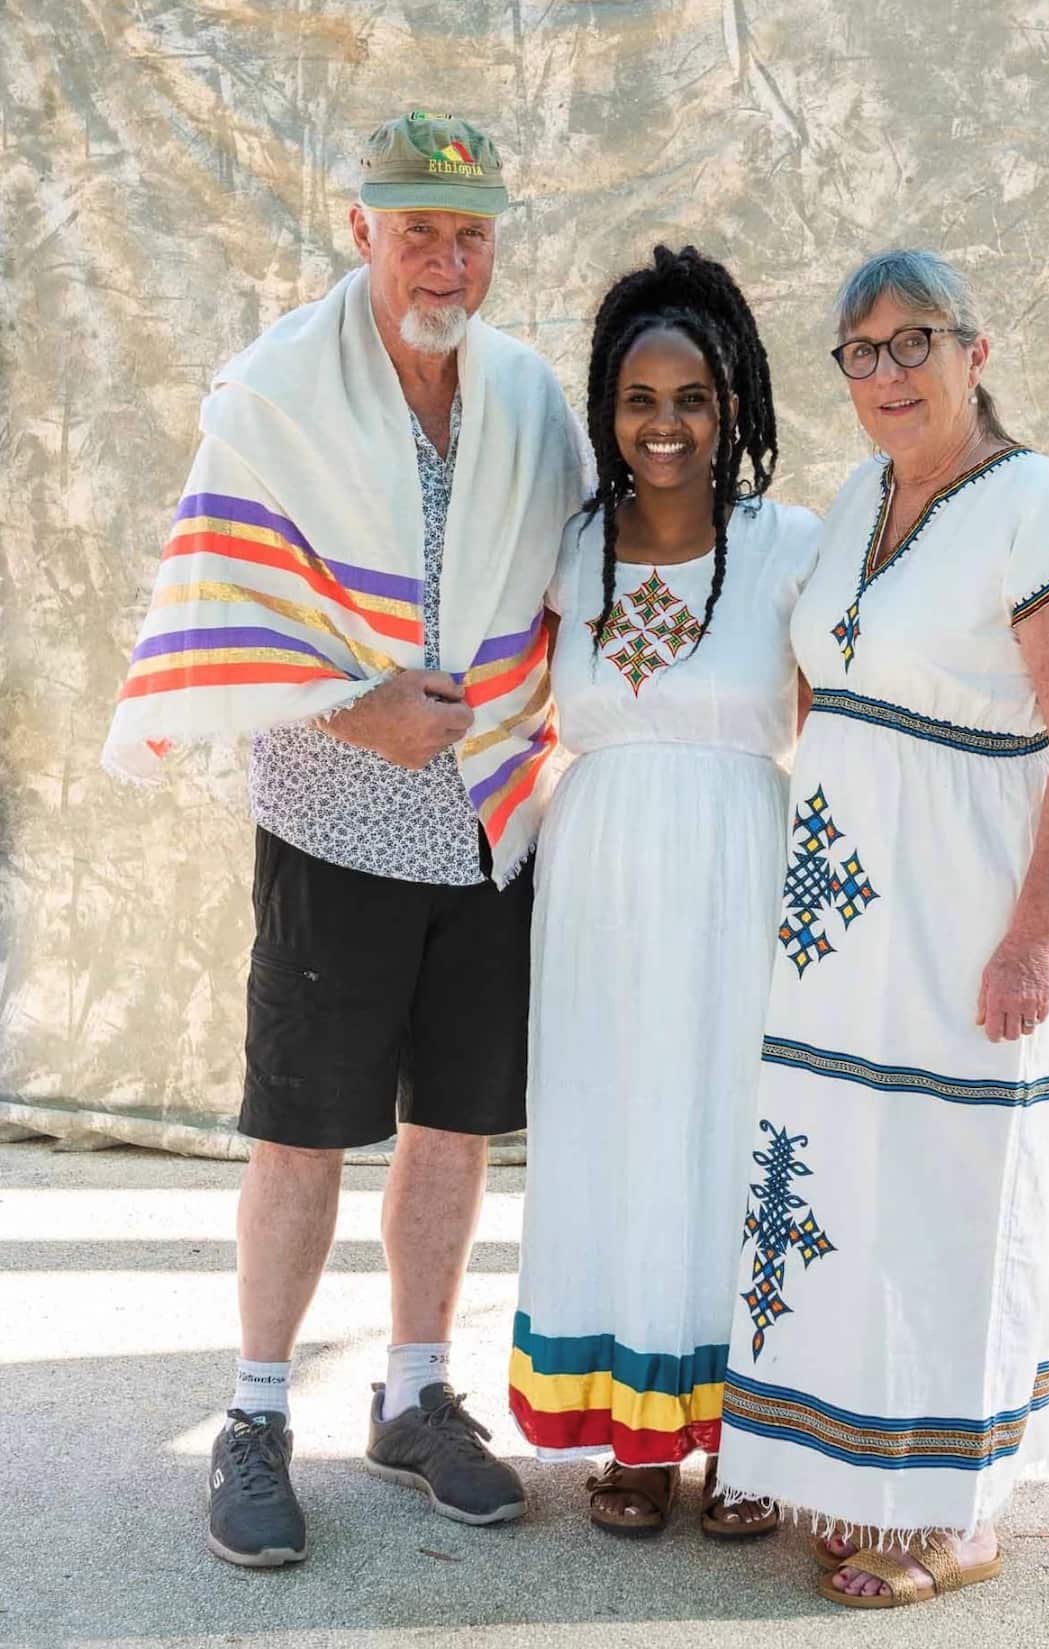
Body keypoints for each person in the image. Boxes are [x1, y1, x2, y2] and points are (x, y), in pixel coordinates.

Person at [103, 112, 590, 1566]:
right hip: (334, 813)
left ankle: (415, 1391)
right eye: (418, 225)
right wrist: (344, 707)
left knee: (452, 1127)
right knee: (303, 1131)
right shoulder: (277, 391)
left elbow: (577, 569)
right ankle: (257, 1414)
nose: (446, 256)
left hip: (492, 812)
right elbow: (225, 589)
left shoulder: (522, 394)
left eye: (472, 230)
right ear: (360, 226)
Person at [713, 249, 1049, 1607]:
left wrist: (1033, 936)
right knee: (840, 1188)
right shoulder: (857, 501)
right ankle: (853, 1470)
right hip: (837, 940)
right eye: (863, 351)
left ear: (975, 349)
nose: (887, 372)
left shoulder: (1041, 507)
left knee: (953, 1196)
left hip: (964, 926)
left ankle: (961, 1510)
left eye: (914, 342)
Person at [508, 245, 821, 1537]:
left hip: (742, 870)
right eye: (640, 398)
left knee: (734, 1133)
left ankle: (753, 1429)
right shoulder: (566, 548)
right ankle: (637, 1430)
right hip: (601, 884)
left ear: (734, 403)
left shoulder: (790, 547)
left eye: (692, 396)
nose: (666, 422)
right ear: (608, 410)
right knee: (615, 1124)